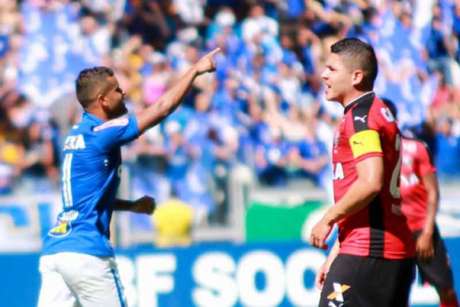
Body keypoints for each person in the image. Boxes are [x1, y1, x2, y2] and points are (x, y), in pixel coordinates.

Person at [37, 48, 220, 307]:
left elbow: (89, 200)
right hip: (86, 252)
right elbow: (162, 108)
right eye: (116, 90)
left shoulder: (75, 136)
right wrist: (195, 70)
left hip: (56, 250)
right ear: (103, 100)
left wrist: (131, 205)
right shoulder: (103, 132)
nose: (123, 94)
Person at [309, 38, 415, 307]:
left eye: (332, 69)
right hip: (382, 252)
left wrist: (328, 219)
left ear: (356, 76)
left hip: (370, 253)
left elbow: (370, 182)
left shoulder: (362, 118)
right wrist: (337, 253)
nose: (323, 75)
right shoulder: (375, 111)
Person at [384, 99, 459, 307]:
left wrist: (427, 233)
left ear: (394, 120)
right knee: (393, 292)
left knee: (445, 287)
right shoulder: (373, 157)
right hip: (392, 233)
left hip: (420, 230)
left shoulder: (416, 148)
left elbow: (433, 193)